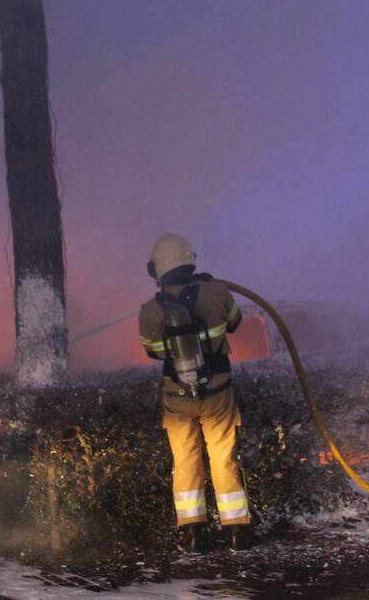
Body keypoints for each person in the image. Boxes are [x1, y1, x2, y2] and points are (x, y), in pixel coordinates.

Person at [138, 233, 251, 552]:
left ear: (156, 269)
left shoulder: (149, 310)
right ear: (190, 259)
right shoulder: (216, 291)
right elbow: (235, 322)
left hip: (177, 398)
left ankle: (192, 533)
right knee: (223, 457)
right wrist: (211, 293)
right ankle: (236, 529)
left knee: (186, 460)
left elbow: (154, 353)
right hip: (217, 392)